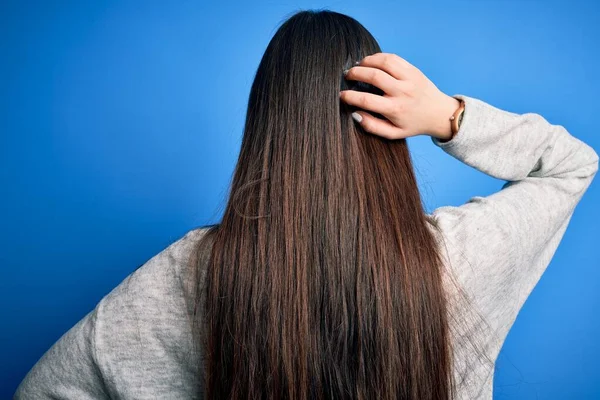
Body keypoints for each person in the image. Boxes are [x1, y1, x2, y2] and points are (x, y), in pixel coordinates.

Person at [14, 9, 598, 400]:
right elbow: (573, 163)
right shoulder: (460, 256)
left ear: (266, 125)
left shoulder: (196, 271)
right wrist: (447, 115)